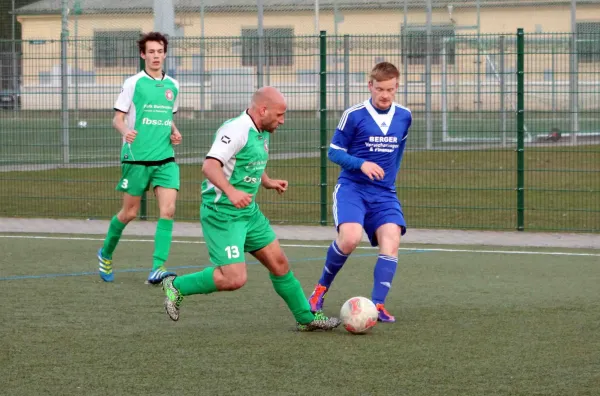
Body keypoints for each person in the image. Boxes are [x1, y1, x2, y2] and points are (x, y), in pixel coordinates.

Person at [160, 86, 341, 331]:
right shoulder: (235, 129)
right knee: (234, 278)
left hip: (249, 213)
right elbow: (210, 166)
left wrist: (267, 181)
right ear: (263, 110)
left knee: (279, 263)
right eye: (279, 115)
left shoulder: (262, 130)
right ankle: (176, 286)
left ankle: (306, 318)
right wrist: (232, 192)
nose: (283, 120)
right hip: (222, 214)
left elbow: (248, 160)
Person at [307, 62, 412, 323]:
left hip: (384, 193)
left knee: (392, 239)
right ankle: (319, 291)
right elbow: (333, 152)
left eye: (390, 89)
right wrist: (361, 164)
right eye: (379, 89)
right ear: (370, 86)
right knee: (350, 239)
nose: (385, 94)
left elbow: (398, 151)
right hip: (352, 188)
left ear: (397, 87)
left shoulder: (405, 116)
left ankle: (377, 306)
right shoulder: (354, 115)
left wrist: (389, 180)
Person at [97, 32, 182, 284]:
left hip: (165, 158)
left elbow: (167, 116)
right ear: (143, 55)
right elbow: (118, 118)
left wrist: (174, 131)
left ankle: (158, 267)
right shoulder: (133, 83)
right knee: (129, 213)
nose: (156, 56)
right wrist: (126, 132)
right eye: (151, 52)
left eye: (160, 51)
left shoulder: (174, 86)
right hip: (136, 157)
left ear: (165, 53)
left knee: (168, 210)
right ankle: (106, 252)